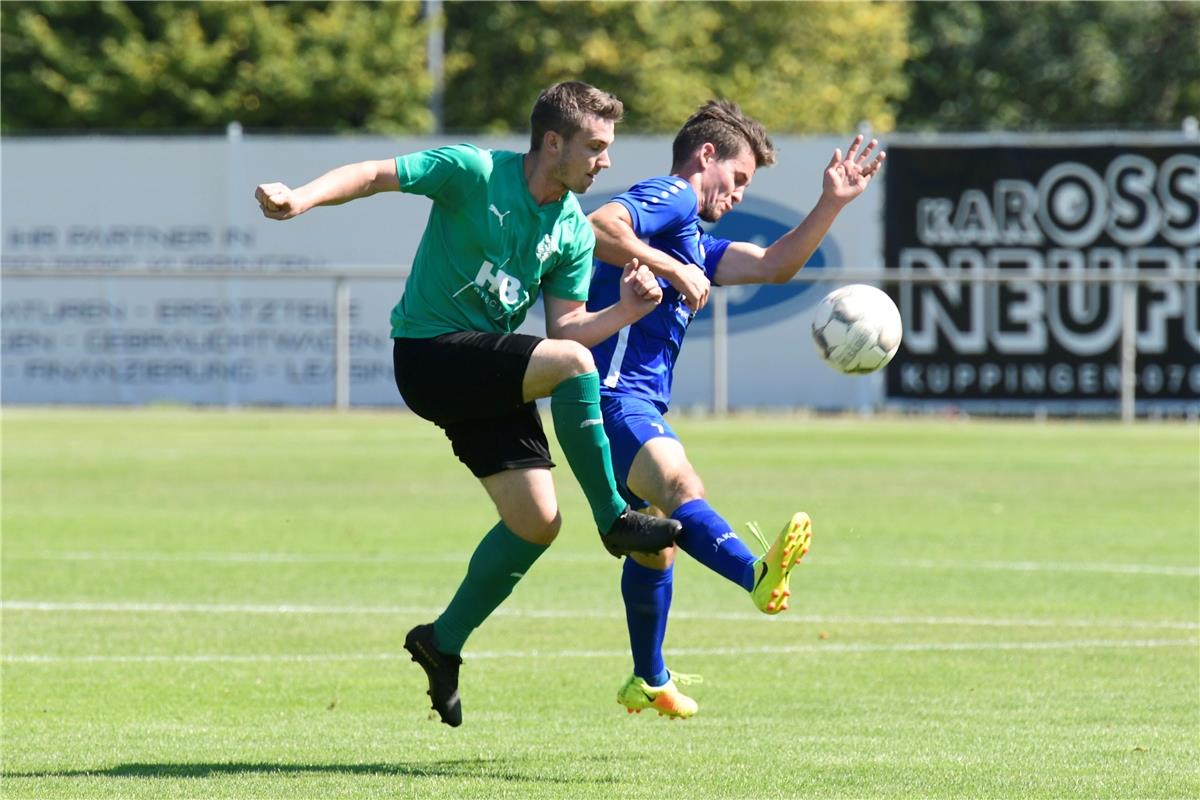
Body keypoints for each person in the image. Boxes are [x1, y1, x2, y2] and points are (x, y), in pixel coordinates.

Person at [254, 81, 682, 728]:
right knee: (572, 370)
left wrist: (625, 312)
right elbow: (375, 173)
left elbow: (567, 332)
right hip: (429, 354)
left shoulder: (569, 227)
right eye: (596, 146)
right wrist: (301, 198)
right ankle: (615, 518)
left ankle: (440, 642)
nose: (606, 161)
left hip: (487, 367)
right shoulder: (473, 171)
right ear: (553, 141)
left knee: (536, 523)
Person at [585, 100, 885, 718]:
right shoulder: (670, 196)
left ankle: (648, 677)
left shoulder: (693, 237)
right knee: (679, 483)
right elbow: (598, 225)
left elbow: (775, 266)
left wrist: (833, 201)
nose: (741, 194)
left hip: (633, 398)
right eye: (740, 178)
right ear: (706, 157)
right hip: (610, 394)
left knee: (656, 546)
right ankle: (756, 575)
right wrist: (672, 268)